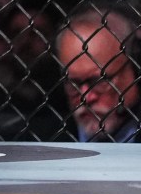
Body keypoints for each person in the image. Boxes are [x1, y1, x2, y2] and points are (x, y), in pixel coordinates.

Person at [58, 9, 139, 144]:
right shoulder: (41, 137)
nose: (85, 98)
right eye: (73, 83)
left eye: (99, 81)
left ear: (134, 71)